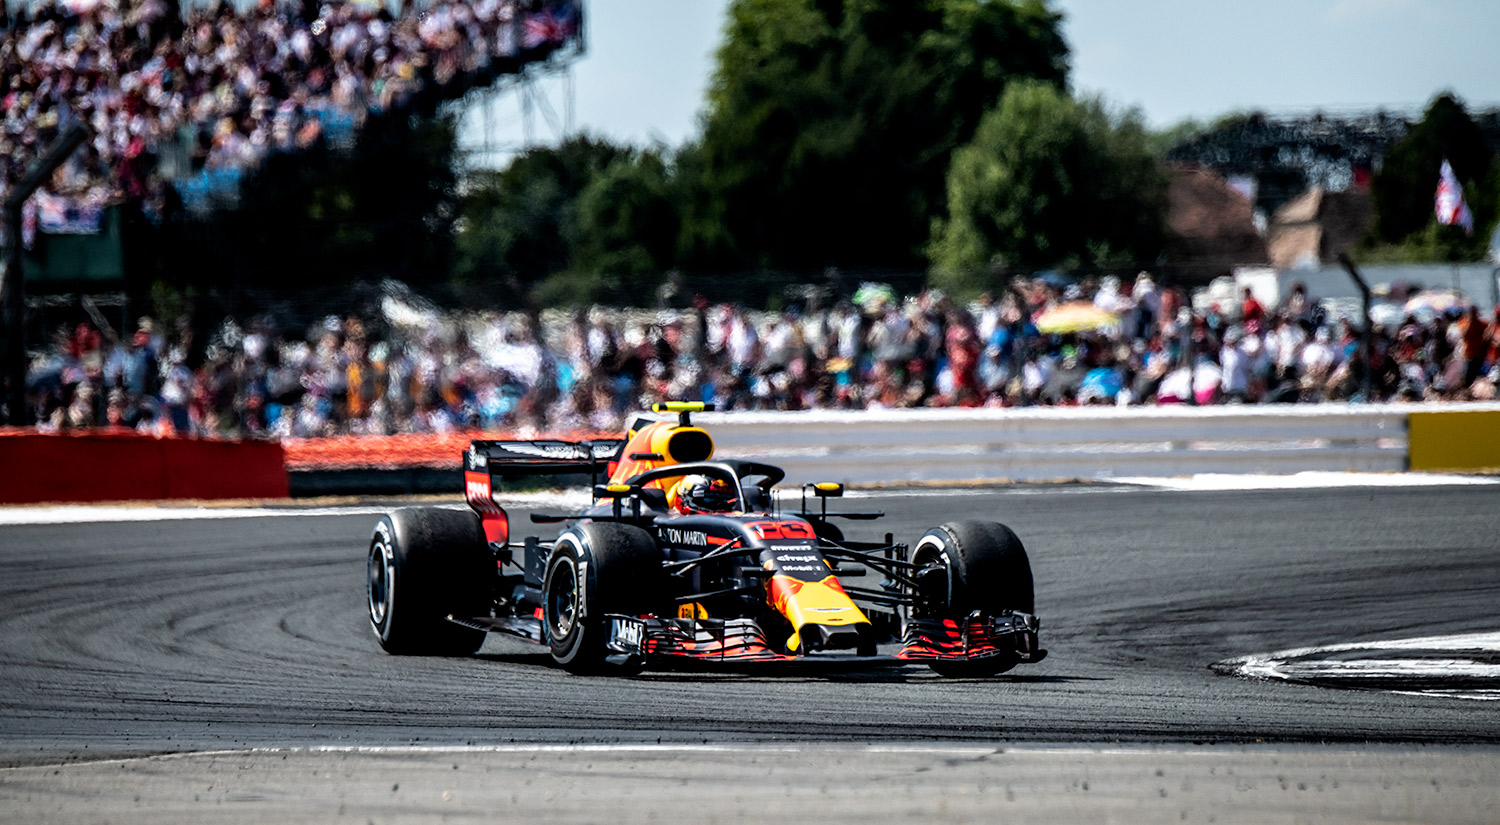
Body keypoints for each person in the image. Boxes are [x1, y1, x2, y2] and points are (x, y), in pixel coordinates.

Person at [673, 474, 740, 514]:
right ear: (686, 498)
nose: (718, 506)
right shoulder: (671, 520)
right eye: (710, 500)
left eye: (723, 500)